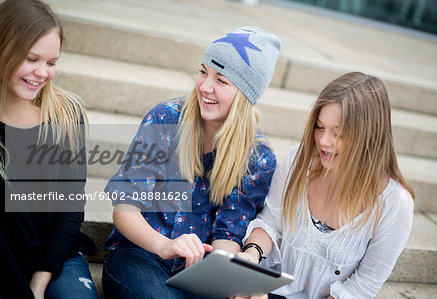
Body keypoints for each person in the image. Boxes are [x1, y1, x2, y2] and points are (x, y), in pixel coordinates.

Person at [101, 26, 281, 298]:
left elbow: (228, 235)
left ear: (246, 95)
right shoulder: (167, 118)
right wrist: (165, 246)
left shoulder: (258, 158)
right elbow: (124, 207)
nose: (205, 87)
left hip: (199, 269)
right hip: (140, 256)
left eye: (221, 80)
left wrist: (220, 276)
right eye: (203, 72)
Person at [237, 72, 415, 299]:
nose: (323, 141)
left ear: (369, 137)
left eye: (338, 133)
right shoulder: (298, 160)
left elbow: (360, 289)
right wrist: (252, 254)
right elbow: (270, 223)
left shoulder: (394, 205)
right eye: (319, 127)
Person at [0, 0, 98, 298]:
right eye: (31, 59)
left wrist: (40, 282)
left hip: (56, 256)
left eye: (52, 62)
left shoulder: (67, 113)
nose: (42, 73)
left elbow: (70, 207)